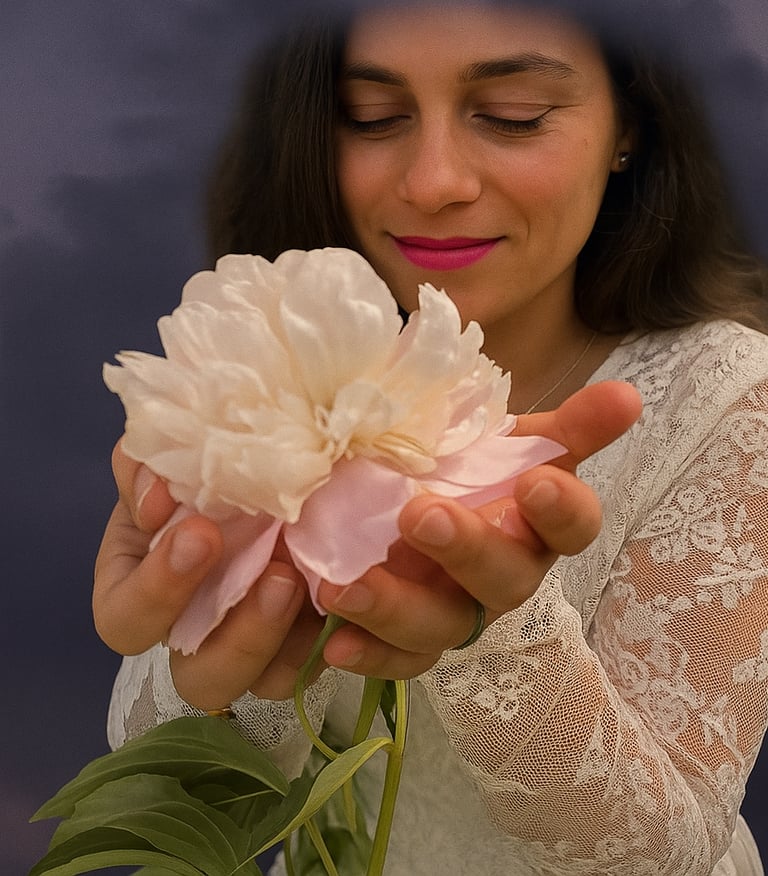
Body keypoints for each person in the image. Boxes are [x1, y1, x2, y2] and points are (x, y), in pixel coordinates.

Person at [94, 3, 768, 873]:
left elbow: (663, 852)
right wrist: (222, 638)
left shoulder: (728, 396)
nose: (433, 181)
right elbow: (170, 808)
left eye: (514, 115)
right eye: (372, 119)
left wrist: (493, 626)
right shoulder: (254, 370)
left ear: (627, 128)